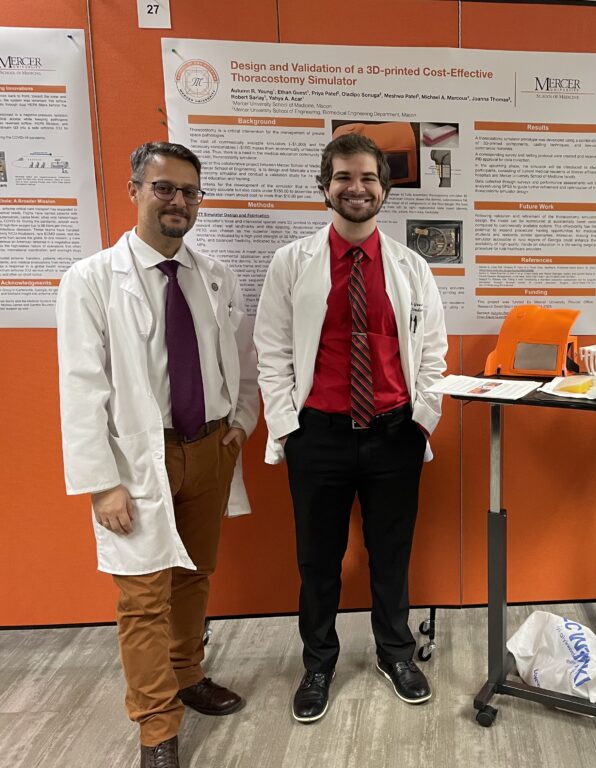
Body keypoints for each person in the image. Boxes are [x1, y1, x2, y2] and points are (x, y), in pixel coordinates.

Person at [56, 142, 259, 768]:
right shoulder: (90, 280)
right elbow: (82, 388)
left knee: (195, 575)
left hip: (209, 450)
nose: (178, 202)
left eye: (190, 192)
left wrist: (243, 423)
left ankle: (187, 673)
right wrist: (101, 483)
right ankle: (156, 727)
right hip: (137, 464)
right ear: (135, 190)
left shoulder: (215, 276)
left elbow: (242, 362)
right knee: (142, 598)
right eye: (164, 188)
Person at [254, 134, 447, 723]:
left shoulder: (412, 267)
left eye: (367, 178)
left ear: (385, 190)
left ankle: (395, 652)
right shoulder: (292, 263)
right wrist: (289, 426)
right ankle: (318, 662)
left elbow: (434, 353)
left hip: (394, 434)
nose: (356, 187)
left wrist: (421, 420)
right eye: (343, 177)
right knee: (318, 558)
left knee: (391, 554)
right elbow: (271, 351)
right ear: (325, 185)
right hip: (321, 435)